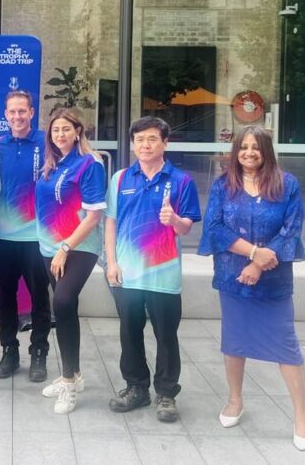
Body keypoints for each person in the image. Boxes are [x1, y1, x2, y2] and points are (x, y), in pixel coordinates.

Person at [198, 125, 305, 451]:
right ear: (236, 151)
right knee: (234, 341)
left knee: (286, 345)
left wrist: (259, 263)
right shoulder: (223, 185)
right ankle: (235, 400)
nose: (249, 153)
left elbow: (291, 229)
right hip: (232, 275)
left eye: (256, 147)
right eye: (244, 147)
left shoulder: (286, 184)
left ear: (266, 151)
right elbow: (215, 227)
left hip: (273, 279)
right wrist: (251, 253)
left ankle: (303, 416)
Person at [105, 116, 201, 423]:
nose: (145, 145)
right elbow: (111, 222)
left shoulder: (181, 180)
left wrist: (174, 220)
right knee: (129, 332)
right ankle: (136, 388)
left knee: (166, 336)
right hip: (127, 273)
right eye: (139, 140)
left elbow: (187, 228)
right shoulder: (120, 178)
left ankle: (166, 393)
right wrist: (111, 262)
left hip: (164, 274)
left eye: (152, 139)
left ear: (165, 143)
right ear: (133, 144)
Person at [34, 107, 106, 414]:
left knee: (62, 302)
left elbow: (94, 215)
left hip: (78, 247)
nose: (60, 134)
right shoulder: (53, 164)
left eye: (66, 128)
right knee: (66, 310)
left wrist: (65, 247)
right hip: (49, 248)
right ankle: (73, 375)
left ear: (77, 132)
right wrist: (53, 246)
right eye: (55, 130)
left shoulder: (90, 163)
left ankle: (67, 382)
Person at [0, 90, 51, 382]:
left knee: (40, 298)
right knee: (6, 297)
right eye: (12, 112)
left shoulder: (47, 142)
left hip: (38, 237)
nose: (17, 116)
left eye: (22, 111)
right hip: (3, 237)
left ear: (31, 112)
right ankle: (9, 351)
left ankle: (39, 353)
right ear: (6, 114)